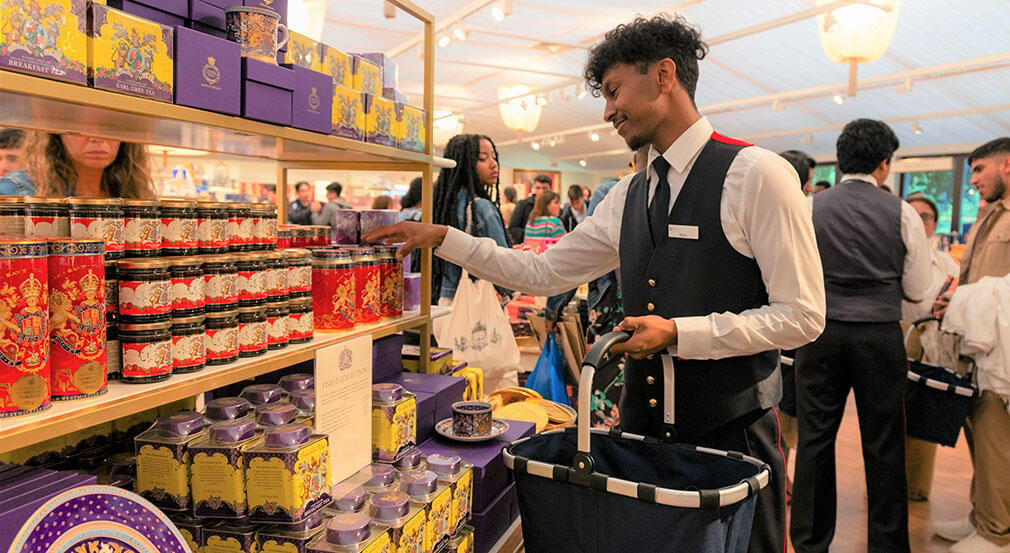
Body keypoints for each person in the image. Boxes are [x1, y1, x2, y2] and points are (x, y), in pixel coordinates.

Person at [364, 15, 825, 553]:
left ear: (663, 76)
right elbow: (543, 271)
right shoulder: (627, 196)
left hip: (732, 437)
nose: (606, 111)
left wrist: (680, 332)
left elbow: (803, 316)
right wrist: (442, 235)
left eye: (612, 91)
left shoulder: (757, 174)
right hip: (642, 438)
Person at [790, 119, 932, 553]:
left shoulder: (810, 207)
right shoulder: (904, 212)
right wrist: (884, 307)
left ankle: (811, 543)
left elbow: (794, 278)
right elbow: (920, 298)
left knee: (815, 441)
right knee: (885, 444)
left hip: (820, 336)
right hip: (880, 339)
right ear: (884, 165)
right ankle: (888, 546)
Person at [930, 137, 1010, 553]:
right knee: (980, 434)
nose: (973, 179)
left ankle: (997, 533)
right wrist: (954, 300)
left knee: (998, 440)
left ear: (1008, 166)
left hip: (1003, 354)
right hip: (975, 345)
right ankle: (983, 517)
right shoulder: (986, 216)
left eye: (980, 170)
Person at [900, 192, 960, 504]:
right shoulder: (889, 257)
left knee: (924, 415)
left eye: (925, 216)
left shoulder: (947, 263)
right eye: (912, 213)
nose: (918, 221)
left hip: (932, 343)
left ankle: (918, 486)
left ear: (934, 224)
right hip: (897, 339)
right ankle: (888, 485)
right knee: (892, 416)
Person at [429, 133, 512, 305]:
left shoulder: (441, 205)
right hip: (475, 304)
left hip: (444, 301)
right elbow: (504, 266)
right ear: (465, 163)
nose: (493, 164)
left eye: (494, 157)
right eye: (483, 158)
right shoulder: (481, 208)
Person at [0, 132, 155, 198]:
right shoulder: (16, 190)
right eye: (82, 126)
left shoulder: (130, 190)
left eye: (110, 125)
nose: (97, 137)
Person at [507, 174, 551, 244]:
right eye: (538, 188)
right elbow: (513, 228)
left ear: (550, 189)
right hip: (526, 246)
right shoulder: (523, 204)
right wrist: (531, 235)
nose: (541, 191)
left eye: (544, 188)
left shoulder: (554, 206)